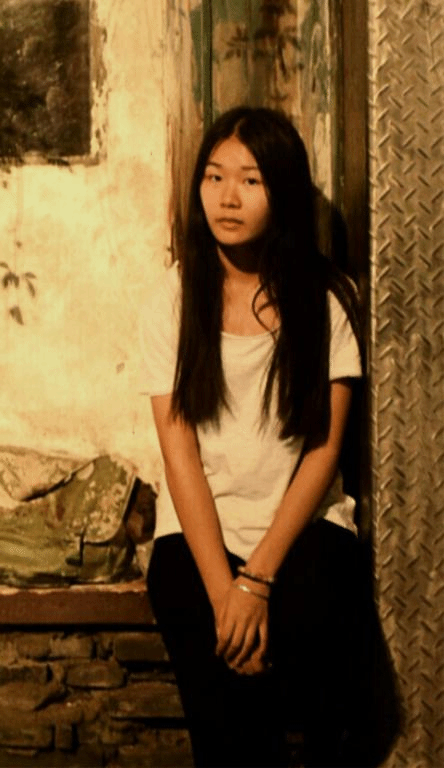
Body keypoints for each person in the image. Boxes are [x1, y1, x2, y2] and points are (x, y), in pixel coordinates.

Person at [140, 106, 368, 768]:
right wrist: (225, 595)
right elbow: (180, 456)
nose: (228, 197)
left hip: (301, 528)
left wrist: (257, 581)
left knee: (313, 704)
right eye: (214, 177)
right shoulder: (173, 299)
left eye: (250, 179)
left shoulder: (325, 300)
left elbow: (324, 450)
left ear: (283, 192)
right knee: (225, 730)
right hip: (199, 533)